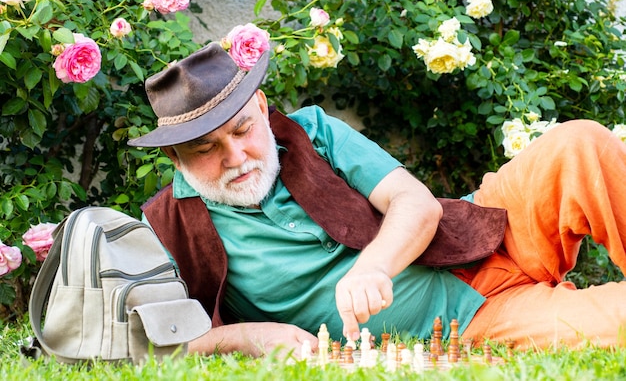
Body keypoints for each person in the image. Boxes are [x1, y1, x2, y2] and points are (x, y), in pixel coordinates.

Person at [128, 42, 626, 358]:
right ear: (175, 156)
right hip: (471, 320)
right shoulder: (170, 226)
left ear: (260, 105)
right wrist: (246, 336)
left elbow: (416, 202)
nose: (236, 157)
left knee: (579, 144)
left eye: (242, 130)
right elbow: (154, 343)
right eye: (206, 149)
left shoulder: (312, 131)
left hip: (484, 229)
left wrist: (373, 268)